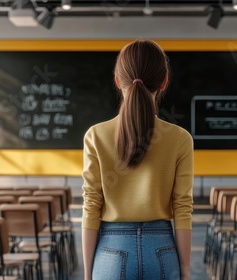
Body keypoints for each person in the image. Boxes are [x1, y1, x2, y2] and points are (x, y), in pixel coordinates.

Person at [81, 40, 194, 280]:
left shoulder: (95, 135)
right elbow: (182, 208)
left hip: (111, 251)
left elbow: (92, 205)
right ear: (164, 82)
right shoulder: (180, 138)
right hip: (162, 252)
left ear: (117, 80)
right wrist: (185, 273)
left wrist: (88, 274)